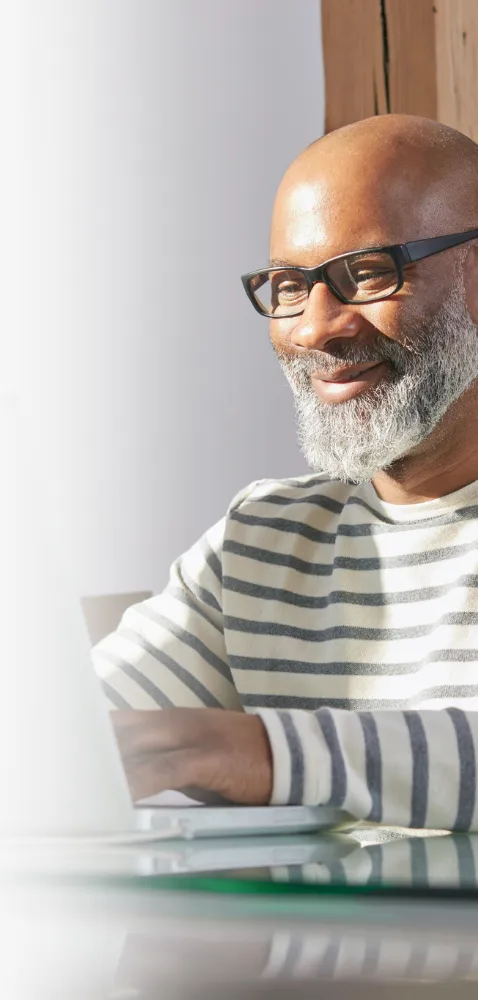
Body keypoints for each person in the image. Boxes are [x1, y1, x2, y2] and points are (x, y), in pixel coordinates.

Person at [93, 113, 478, 831]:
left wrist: (270, 754)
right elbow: (83, 730)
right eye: (287, 287)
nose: (313, 327)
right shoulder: (262, 540)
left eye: (367, 274)